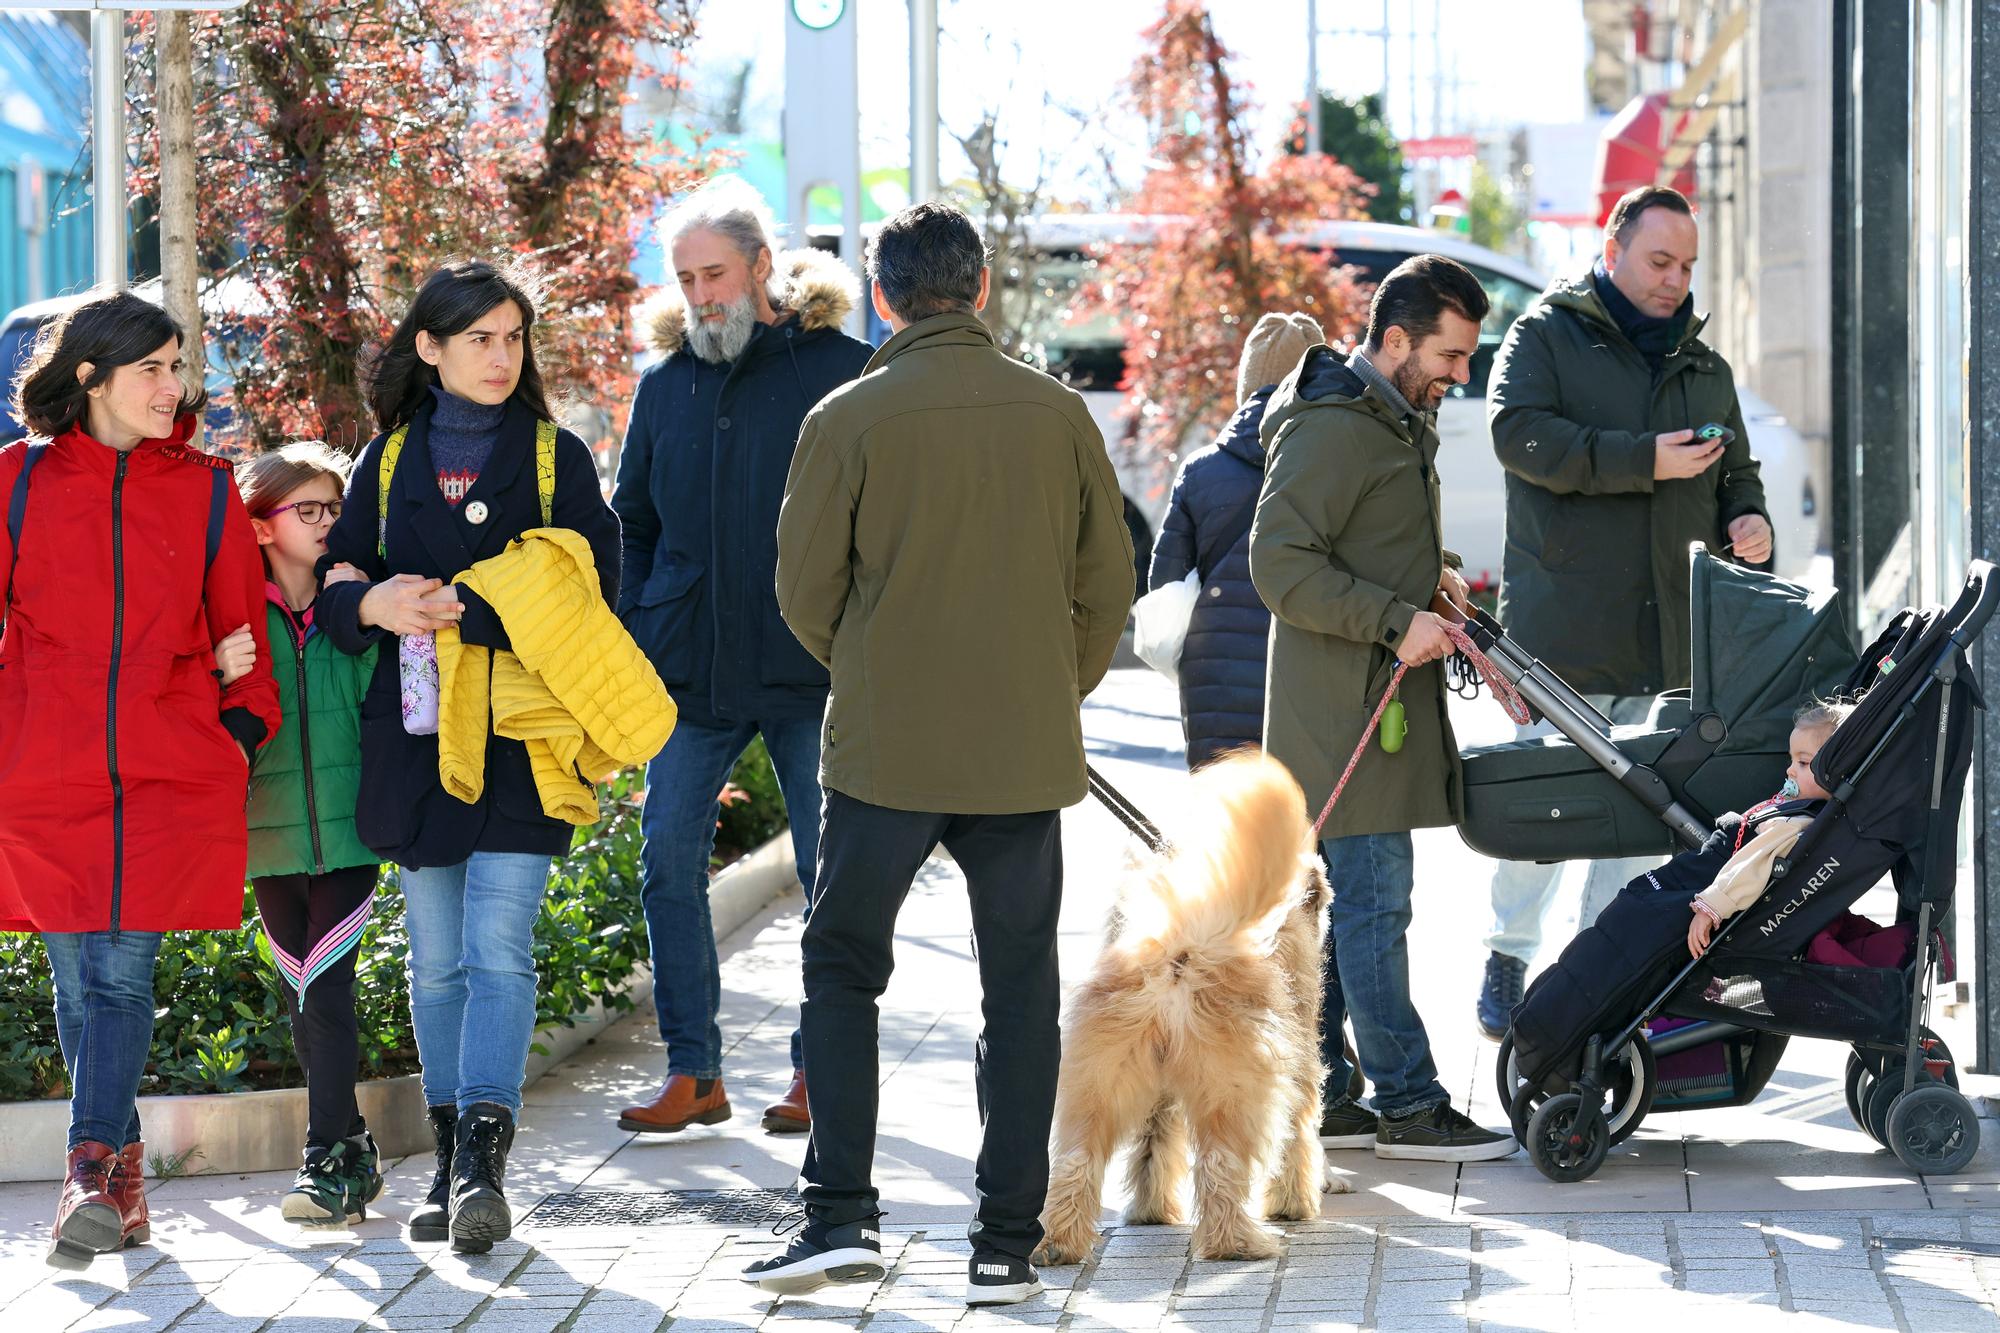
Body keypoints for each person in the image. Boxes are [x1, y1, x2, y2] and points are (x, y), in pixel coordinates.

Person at [746, 201, 1134, 1306]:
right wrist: (1053, 682)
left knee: (841, 967)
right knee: (1017, 986)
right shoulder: (1058, 414)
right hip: (1020, 749)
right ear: (979, 290)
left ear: (882, 296)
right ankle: (1006, 1242)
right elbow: (1106, 585)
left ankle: (838, 1217)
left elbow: (802, 591)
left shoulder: (846, 416)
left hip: (883, 748)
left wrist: (871, 666)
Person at [316, 258, 625, 1254]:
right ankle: (451, 1162)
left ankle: (485, 1167)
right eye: (479, 338)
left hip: (523, 740)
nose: (499, 356)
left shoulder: (553, 458)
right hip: (414, 742)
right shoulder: (388, 460)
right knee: (438, 962)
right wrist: (373, 602)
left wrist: (474, 607)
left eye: (512, 338)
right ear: (430, 348)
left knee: (497, 948)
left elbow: (595, 586)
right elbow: (336, 573)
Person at [0, 289, 281, 1269]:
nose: (175, 386)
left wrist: (234, 728)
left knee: (121, 970)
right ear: (90, 376)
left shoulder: (205, 488)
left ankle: (83, 1169)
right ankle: (120, 1187)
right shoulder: (15, 483)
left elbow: (247, 633)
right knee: (78, 979)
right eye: (153, 368)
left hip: (169, 770)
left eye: (178, 367)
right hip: (48, 772)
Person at [1475, 185, 1773, 1038]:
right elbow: (1518, 435)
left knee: (1644, 821)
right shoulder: (1545, 335)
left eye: (1687, 265)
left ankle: (1593, 972)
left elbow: (1735, 472)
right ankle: (1507, 957)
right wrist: (1643, 460)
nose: (1676, 279)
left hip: (1671, 639)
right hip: (1565, 633)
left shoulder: (1703, 364)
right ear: (1612, 250)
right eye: (1659, 261)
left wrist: (1746, 519)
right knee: (1546, 810)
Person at [612, 178, 872, 1139]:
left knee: (826, 869)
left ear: (762, 267)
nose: (700, 295)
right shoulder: (663, 386)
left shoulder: (842, 371)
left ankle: (819, 1069)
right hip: (690, 673)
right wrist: (642, 621)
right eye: (684, 279)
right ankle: (695, 1070)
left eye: (714, 273)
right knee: (664, 862)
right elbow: (632, 518)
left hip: (812, 670)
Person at [1250, 254, 1514, 1163]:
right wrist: (1393, 616)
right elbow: (1279, 564)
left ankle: (1329, 1094)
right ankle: (1406, 1100)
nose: (1462, 374)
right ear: (1394, 339)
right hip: (1343, 721)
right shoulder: (1336, 428)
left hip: (1363, 709)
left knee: (1333, 912)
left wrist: (1422, 585)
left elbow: (1353, 540)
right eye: (1450, 354)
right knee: (1371, 908)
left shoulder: (1392, 418)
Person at [1508, 702, 1850, 1081]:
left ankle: (1556, 1026)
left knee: (1624, 939)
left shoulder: (1797, 824)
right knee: (1618, 934)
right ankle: (1558, 1022)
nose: (1790, 769)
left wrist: (1711, 908)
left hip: (1702, 888)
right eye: (1792, 759)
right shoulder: (1798, 808)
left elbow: (1750, 868)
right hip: (1690, 877)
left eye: (1803, 763)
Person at [231, 443, 385, 1228]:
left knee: (324, 984)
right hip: (269, 838)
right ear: (261, 526)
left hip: (354, 836)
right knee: (301, 993)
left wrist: (356, 608)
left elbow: (382, 700)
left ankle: (324, 1158)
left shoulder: (352, 603)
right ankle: (354, 1145)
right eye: (309, 510)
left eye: (335, 508)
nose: (328, 523)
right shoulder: (232, 618)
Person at [1150, 311, 1323, 771]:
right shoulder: (1333, 468)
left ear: (1247, 384)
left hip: (1214, 680)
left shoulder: (1201, 469)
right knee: (1305, 826)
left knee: (1227, 828)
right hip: (1307, 674)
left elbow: (1164, 584)